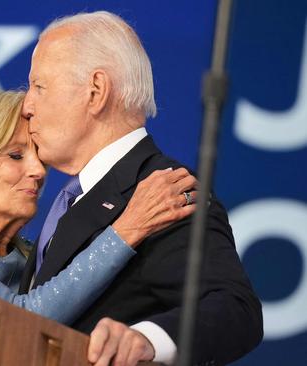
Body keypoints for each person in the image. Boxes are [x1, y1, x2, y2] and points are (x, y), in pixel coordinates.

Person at [18, 11, 263, 366]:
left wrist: (147, 339)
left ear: (96, 91)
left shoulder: (163, 190)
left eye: (40, 86)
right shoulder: (76, 197)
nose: (27, 106)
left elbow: (235, 308)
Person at [0, 88, 197, 325]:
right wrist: (128, 228)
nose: (38, 170)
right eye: (15, 155)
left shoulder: (33, 263)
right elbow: (18, 318)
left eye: (39, 156)